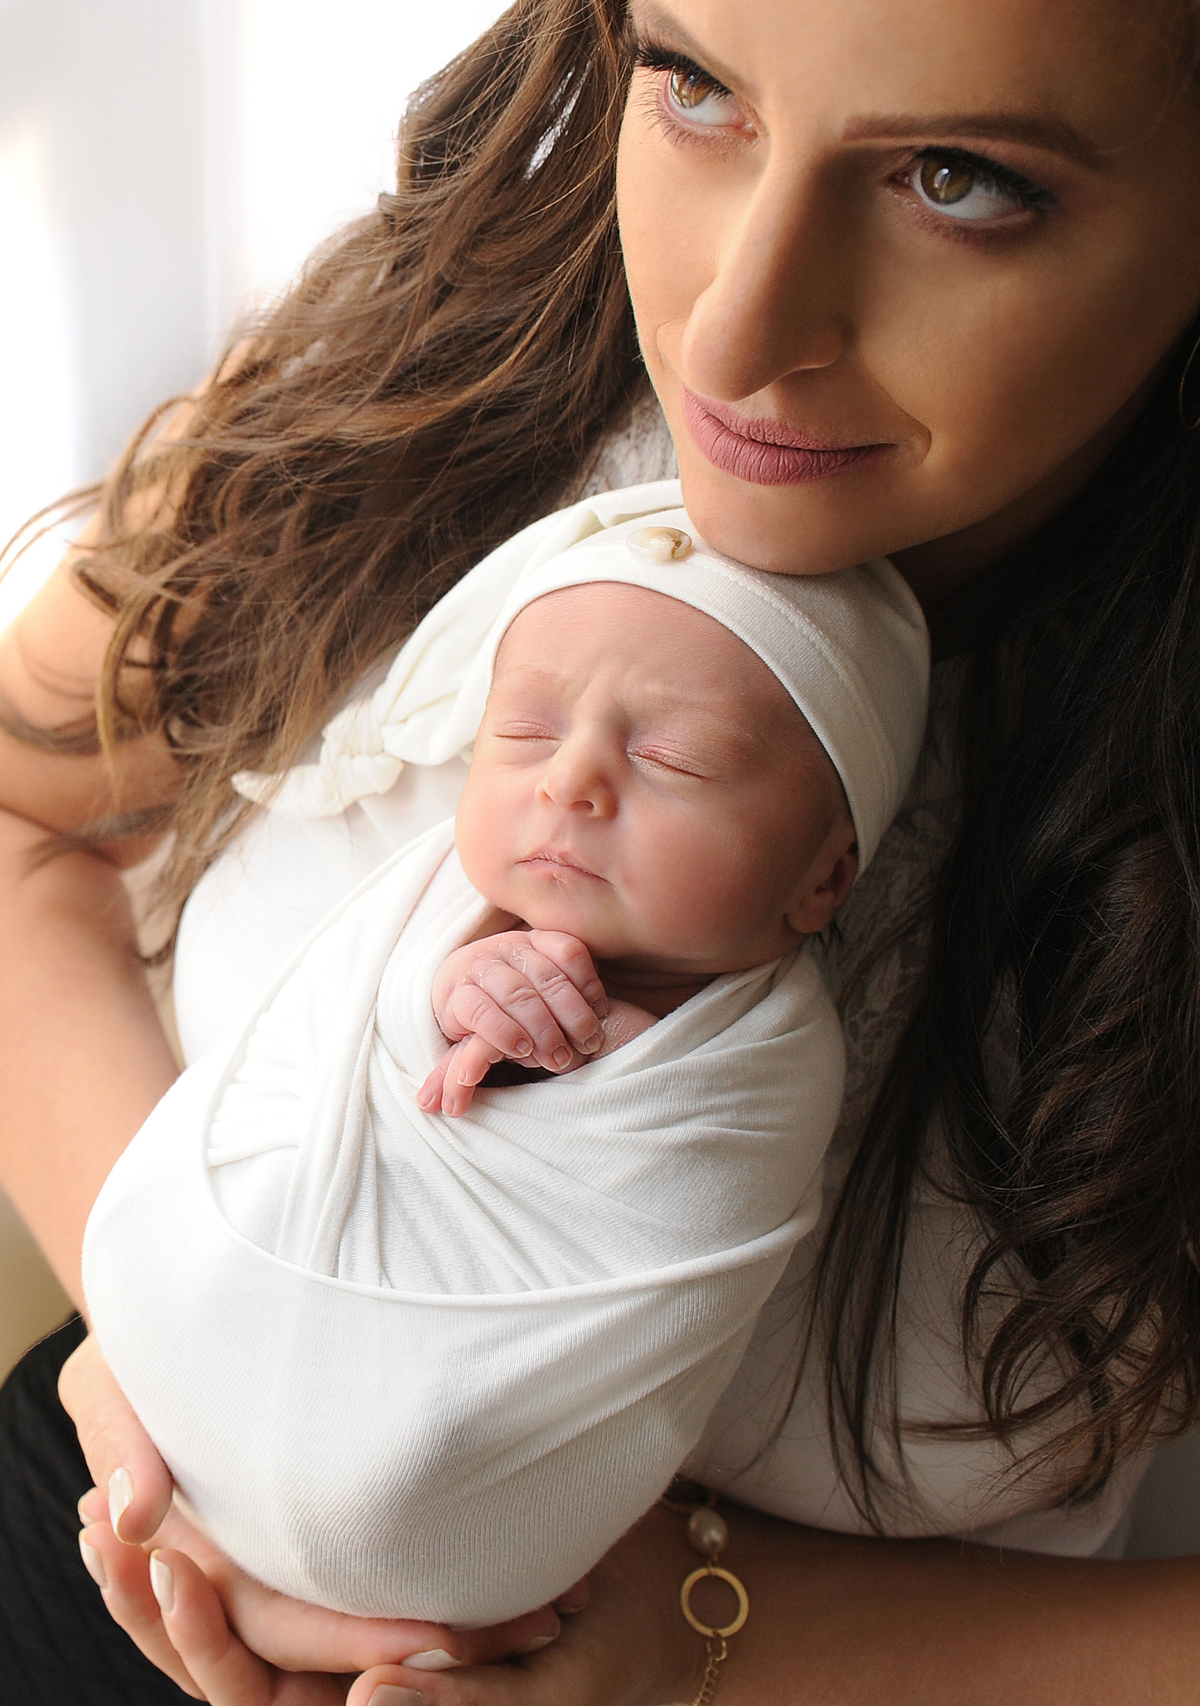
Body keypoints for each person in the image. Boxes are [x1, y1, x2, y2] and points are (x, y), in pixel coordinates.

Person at [5, 0, 1200, 1698]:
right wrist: (171, 1328)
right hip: (104, 1550)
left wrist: (716, 1627)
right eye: (696, 85)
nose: (732, 328)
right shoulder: (421, 394)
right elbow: (17, 810)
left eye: (959, 177)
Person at [80, 522, 926, 1629]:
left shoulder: (775, 1060)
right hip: (137, 1383)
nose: (569, 781)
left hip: (444, 1504)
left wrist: (598, 1045)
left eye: (676, 759)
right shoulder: (433, 900)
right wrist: (439, 996)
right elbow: (353, 1012)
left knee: (396, 1478)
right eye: (523, 731)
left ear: (822, 877)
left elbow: (693, 1190)